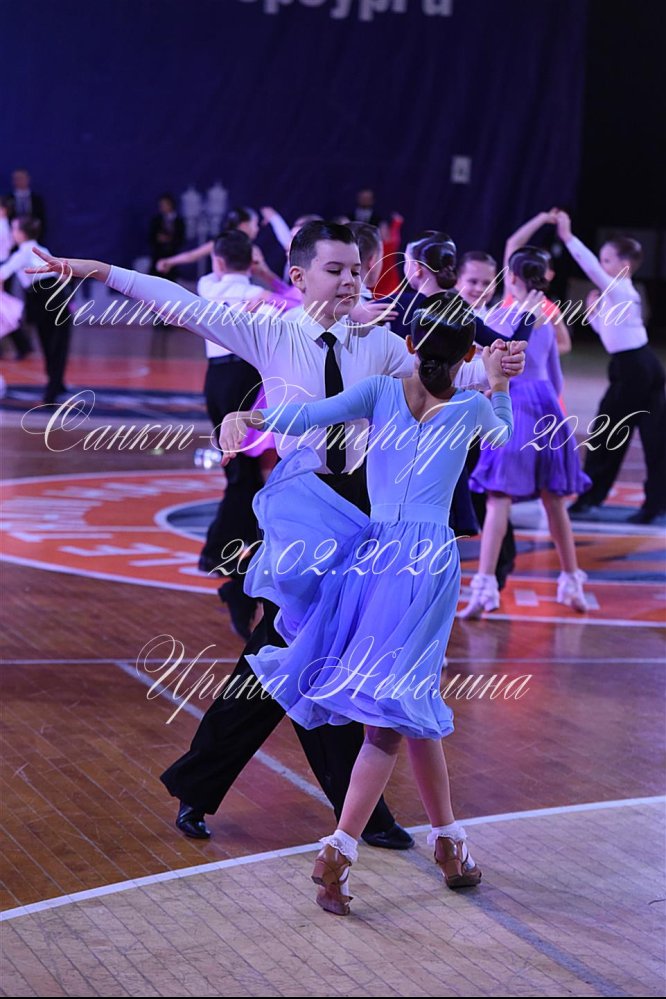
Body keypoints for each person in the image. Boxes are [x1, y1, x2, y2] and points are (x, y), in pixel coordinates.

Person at [28, 223, 526, 851]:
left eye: (356, 270)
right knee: (297, 650)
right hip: (304, 510)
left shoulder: (380, 345)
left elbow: (450, 374)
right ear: (298, 277)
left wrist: (497, 368)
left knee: (313, 653)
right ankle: (323, 808)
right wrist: (100, 271)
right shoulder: (270, 332)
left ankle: (254, 792)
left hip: (366, 515)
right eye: (335, 270)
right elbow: (179, 304)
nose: (350, 281)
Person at [217, 308, 520, 915]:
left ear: (409, 343)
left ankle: (449, 844)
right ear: (467, 355)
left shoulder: (380, 391)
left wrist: (249, 417)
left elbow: (305, 416)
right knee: (390, 715)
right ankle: (340, 848)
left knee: (411, 706)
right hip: (426, 565)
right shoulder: (471, 407)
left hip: (373, 557)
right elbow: (504, 436)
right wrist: (499, 384)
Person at [461, 246, 591, 618]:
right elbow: (556, 376)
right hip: (547, 407)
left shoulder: (500, 316)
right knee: (555, 501)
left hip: (514, 404)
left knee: (498, 499)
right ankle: (572, 582)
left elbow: (492, 370)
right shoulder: (545, 319)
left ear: (512, 278)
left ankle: (484, 586)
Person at [557, 213, 666, 525]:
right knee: (652, 436)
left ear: (624, 266)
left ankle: (591, 498)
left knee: (608, 433)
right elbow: (610, 335)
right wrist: (593, 313)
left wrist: (567, 237)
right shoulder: (619, 293)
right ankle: (655, 503)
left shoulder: (619, 288)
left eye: (607, 260)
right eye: (602, 260)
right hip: (640, 365)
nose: (601, 266)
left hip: (634, 369)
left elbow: (589, 266)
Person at [196, 229, 275, 638]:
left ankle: (223, 551)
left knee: (240, 471)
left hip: (215, 380)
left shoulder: (207, 286)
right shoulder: (262, 297)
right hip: (246, 379)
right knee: (247, 474)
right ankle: (222, 552)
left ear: (219, 262)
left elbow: (216, 275)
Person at [0, 217, 70, 403]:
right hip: (51, 295)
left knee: (51, 341)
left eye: (14, 229)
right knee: (56, 341)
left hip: (45, 296)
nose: (12, 233)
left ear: (21, 233)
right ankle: (56, 384)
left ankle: (53, 389)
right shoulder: (41, 249)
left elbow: (2, 273)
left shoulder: (24, 252)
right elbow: (63, 275)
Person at [149, 194, 185, 275]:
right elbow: (151, 238)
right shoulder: (156, 220)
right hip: (157, 257)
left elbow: (182, 239)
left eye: (165, 205)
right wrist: (158, 239)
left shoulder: (179, 222)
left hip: (174, 257)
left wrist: (169, 239)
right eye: (161, 205)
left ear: (171, 205)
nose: (162, 207)